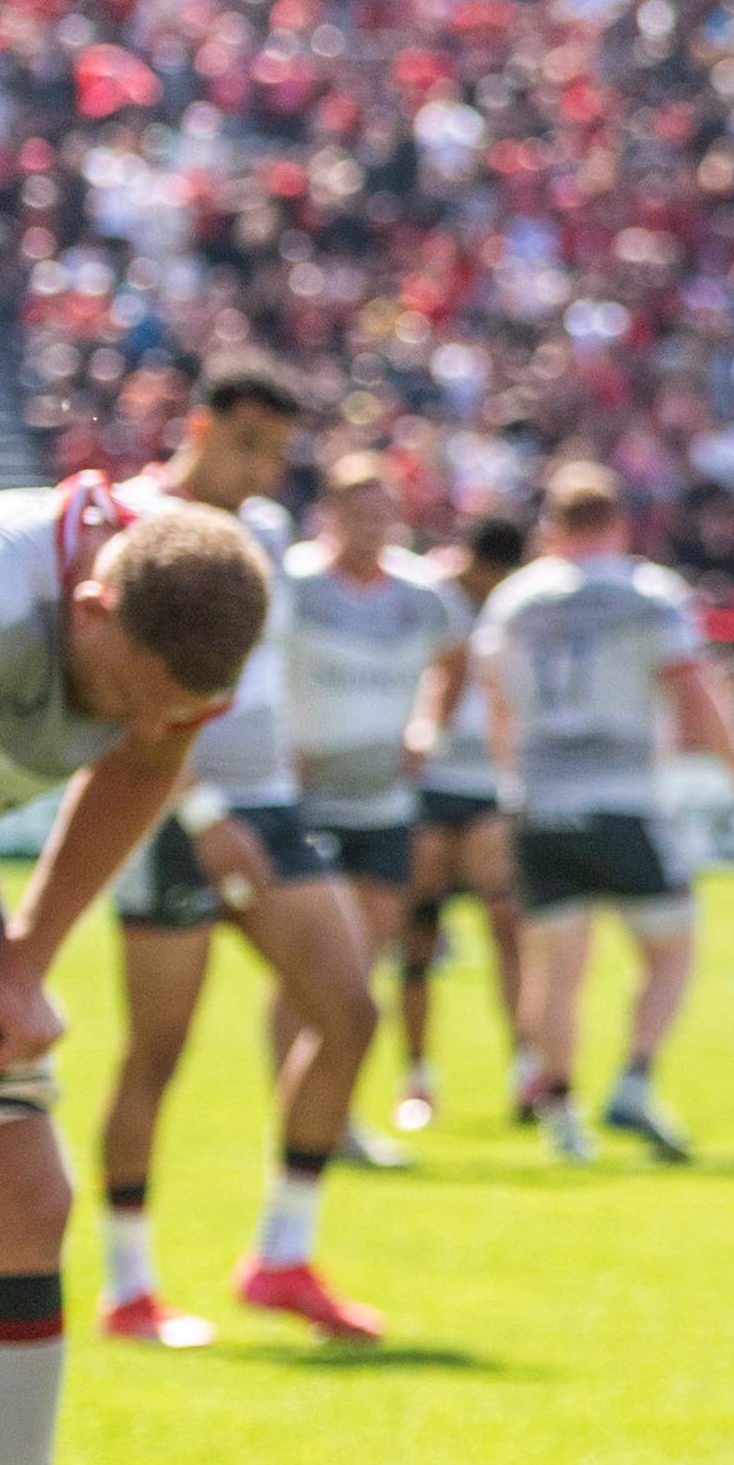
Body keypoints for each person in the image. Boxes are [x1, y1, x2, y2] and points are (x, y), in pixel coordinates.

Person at [0, 483, 276, 1465]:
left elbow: (148, 762)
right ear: (88, 603)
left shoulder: (192, 621)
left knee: (18, 1201)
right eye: (137, 686)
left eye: (185, 706)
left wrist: (22, 961)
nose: (157, 720)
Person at [92, 357, 391, 1348]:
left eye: (280, 450)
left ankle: (282, 1256)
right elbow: (110, 696)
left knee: (348, 1011)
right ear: (206, 427)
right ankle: (129, 1284)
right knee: (160, 1051)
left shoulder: (267, 535)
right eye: (252, 443)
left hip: (271, 809)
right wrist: (200, 806)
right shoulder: (133, 522)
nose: (266, 467)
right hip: (158, 809)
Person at [475, 465, 734, 1163]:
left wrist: (510, 779)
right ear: (618, 523)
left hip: (539, 801)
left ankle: (561, 1118)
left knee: (555, 971)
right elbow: (695, 694)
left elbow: (494, 699)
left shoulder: (517, 599)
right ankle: (635, 1077)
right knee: (671, 946)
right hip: (622, 800)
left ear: (552, 526)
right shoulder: (648, 594)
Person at [280, 453, 470, 1170]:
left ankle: (338, 1117)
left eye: (381, 513)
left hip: (384, 808)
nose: (369, 527)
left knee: (360, 973)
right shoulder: (294, 584)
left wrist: (429, 728)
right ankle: (296, 1115)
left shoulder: (423, 593)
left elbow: (456, 658)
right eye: (355, 513)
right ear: (327, 515)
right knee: (305, 968)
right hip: (301, 807)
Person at [393, 514, 529, 1133]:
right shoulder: (426, 596)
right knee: (419, 932)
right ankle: (417, 1077)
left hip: (486, 787)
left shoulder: (519, 607)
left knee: (506, 918)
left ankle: (527, 1067)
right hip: (426, 784)